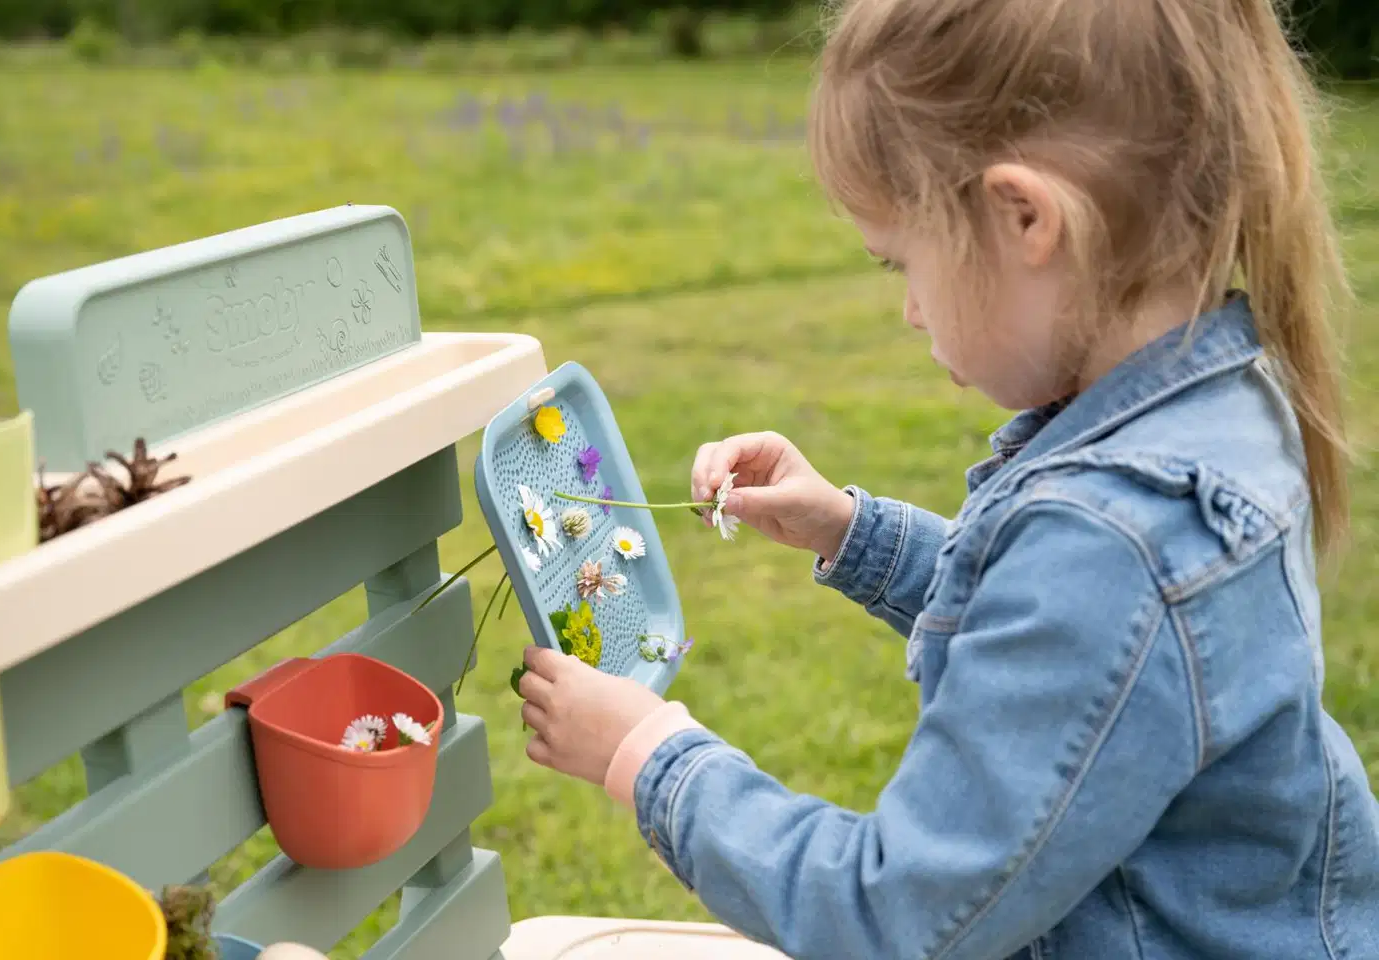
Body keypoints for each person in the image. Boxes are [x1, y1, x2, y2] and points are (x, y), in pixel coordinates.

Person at [513, 0, 1379, 957]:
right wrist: (852, 531)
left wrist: (647, 755)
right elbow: (1076, 645)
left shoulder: (1119, 534)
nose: (912, 315)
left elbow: (893, 917)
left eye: (903, 264)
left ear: (1025, 217)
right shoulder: (1208, 410)